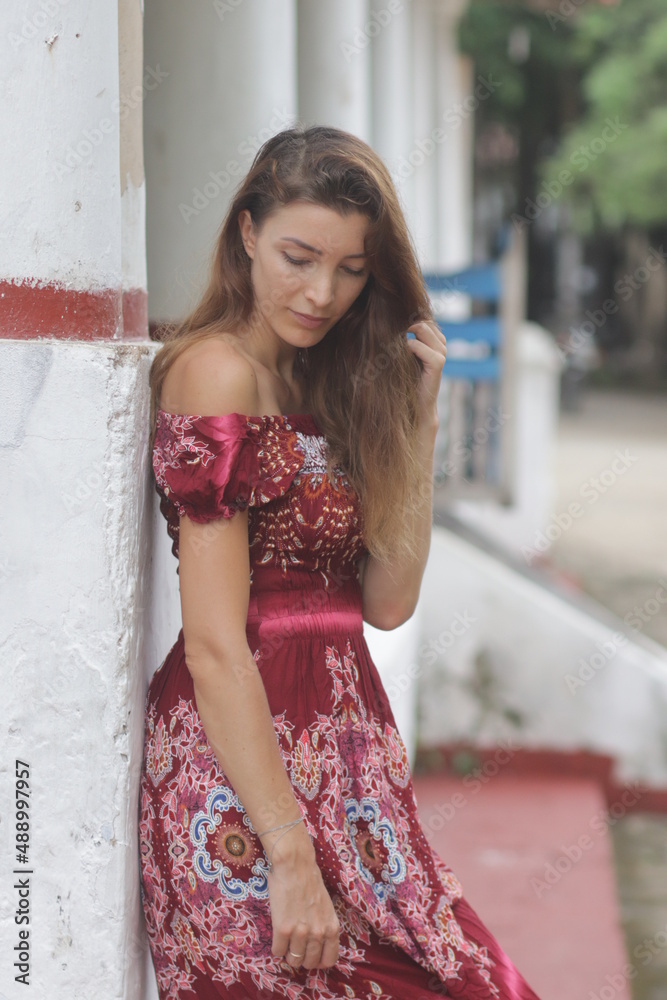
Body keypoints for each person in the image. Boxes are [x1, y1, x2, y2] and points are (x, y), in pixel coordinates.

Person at [139, 124, 541, 999]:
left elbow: (386, 602)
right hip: (238, 786)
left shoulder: (327, 383)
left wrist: (418, 423)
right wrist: (287, 853)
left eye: (351, 269)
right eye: (298, 258)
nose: (321, 293)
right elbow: (214, 645)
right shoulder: (216, 373)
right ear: (247, 233)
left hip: (350, 769)